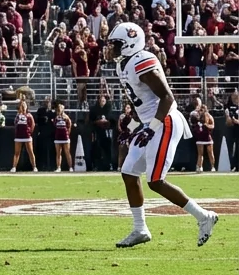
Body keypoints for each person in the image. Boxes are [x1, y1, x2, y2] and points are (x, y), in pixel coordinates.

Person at [107, 22, 218, 248]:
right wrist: (131, 127)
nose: (112, 49)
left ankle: (204, 217)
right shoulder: (123, 66)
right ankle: (140, 229)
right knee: (128, 173)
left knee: (155, 180)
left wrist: (151, 127)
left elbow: (167, 98)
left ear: (129, 43)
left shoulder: (141, 61)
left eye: (116, 44)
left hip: (165, 120)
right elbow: (141, 105)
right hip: (151, 122)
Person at [89, 93, 116, 172]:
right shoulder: (94, 109)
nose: (102, 101)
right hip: (98, 132)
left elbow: (112, 120)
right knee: (97, 149)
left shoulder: (109, 109)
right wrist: (98, 122)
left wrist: (107, 122)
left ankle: (108, 164)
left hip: (107, 132)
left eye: (103, 100)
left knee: (108, 149)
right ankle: (97, 165)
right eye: (101, 100)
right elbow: (91, 121)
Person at [11, 100, 36, 172]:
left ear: (26, 107)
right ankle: (14, 167)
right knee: (17, 152)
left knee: (30, 152)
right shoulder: (18, 115)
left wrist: (30, 132)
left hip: (27, 136)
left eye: (24, 105)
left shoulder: (29, 115)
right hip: (18, 136)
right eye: (22, 105)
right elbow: (15, 124)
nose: (23, 107)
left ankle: (34, 167)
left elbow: (33, 124)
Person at [192, 104, 215, 172]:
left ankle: (213, 167)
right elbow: (193, 124)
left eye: (202, 110)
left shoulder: (209, 117)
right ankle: (199, 167)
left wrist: (206, 125)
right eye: (200, 110)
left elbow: (213, 126)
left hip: (207, 137)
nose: (200, 111)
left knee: (210, 153)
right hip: (200, 137)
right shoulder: (197, 116)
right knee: (200, 154)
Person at [53, 102, 74, 172]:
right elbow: (55, 125)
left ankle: (70, 167)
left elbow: (69, 126)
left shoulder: (66, 117)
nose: (59, 110)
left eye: (60, 109)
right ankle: (58, 167)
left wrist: (67, 134)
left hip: (65, 137)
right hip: (58, 137)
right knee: (58, 153)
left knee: (67, 152)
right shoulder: (56, 117)